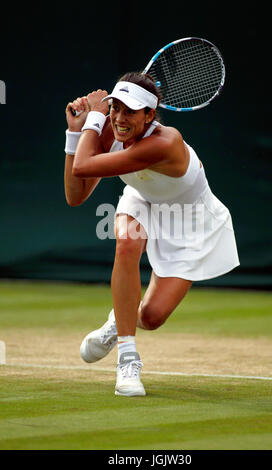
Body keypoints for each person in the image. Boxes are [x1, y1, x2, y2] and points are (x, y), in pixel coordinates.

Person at [64, 72, 240, 397]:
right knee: (126, 244)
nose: (118, 118)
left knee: (152, 316)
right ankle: (128, 360)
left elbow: (83, 166)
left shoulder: (165, 142)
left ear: (149, 114)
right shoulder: (109, 128)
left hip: (189, 220)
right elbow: (76, 193)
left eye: (129, 111)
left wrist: (92, 120)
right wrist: (76, 133)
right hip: (143, 197)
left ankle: (120, 320)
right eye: (115, 107)